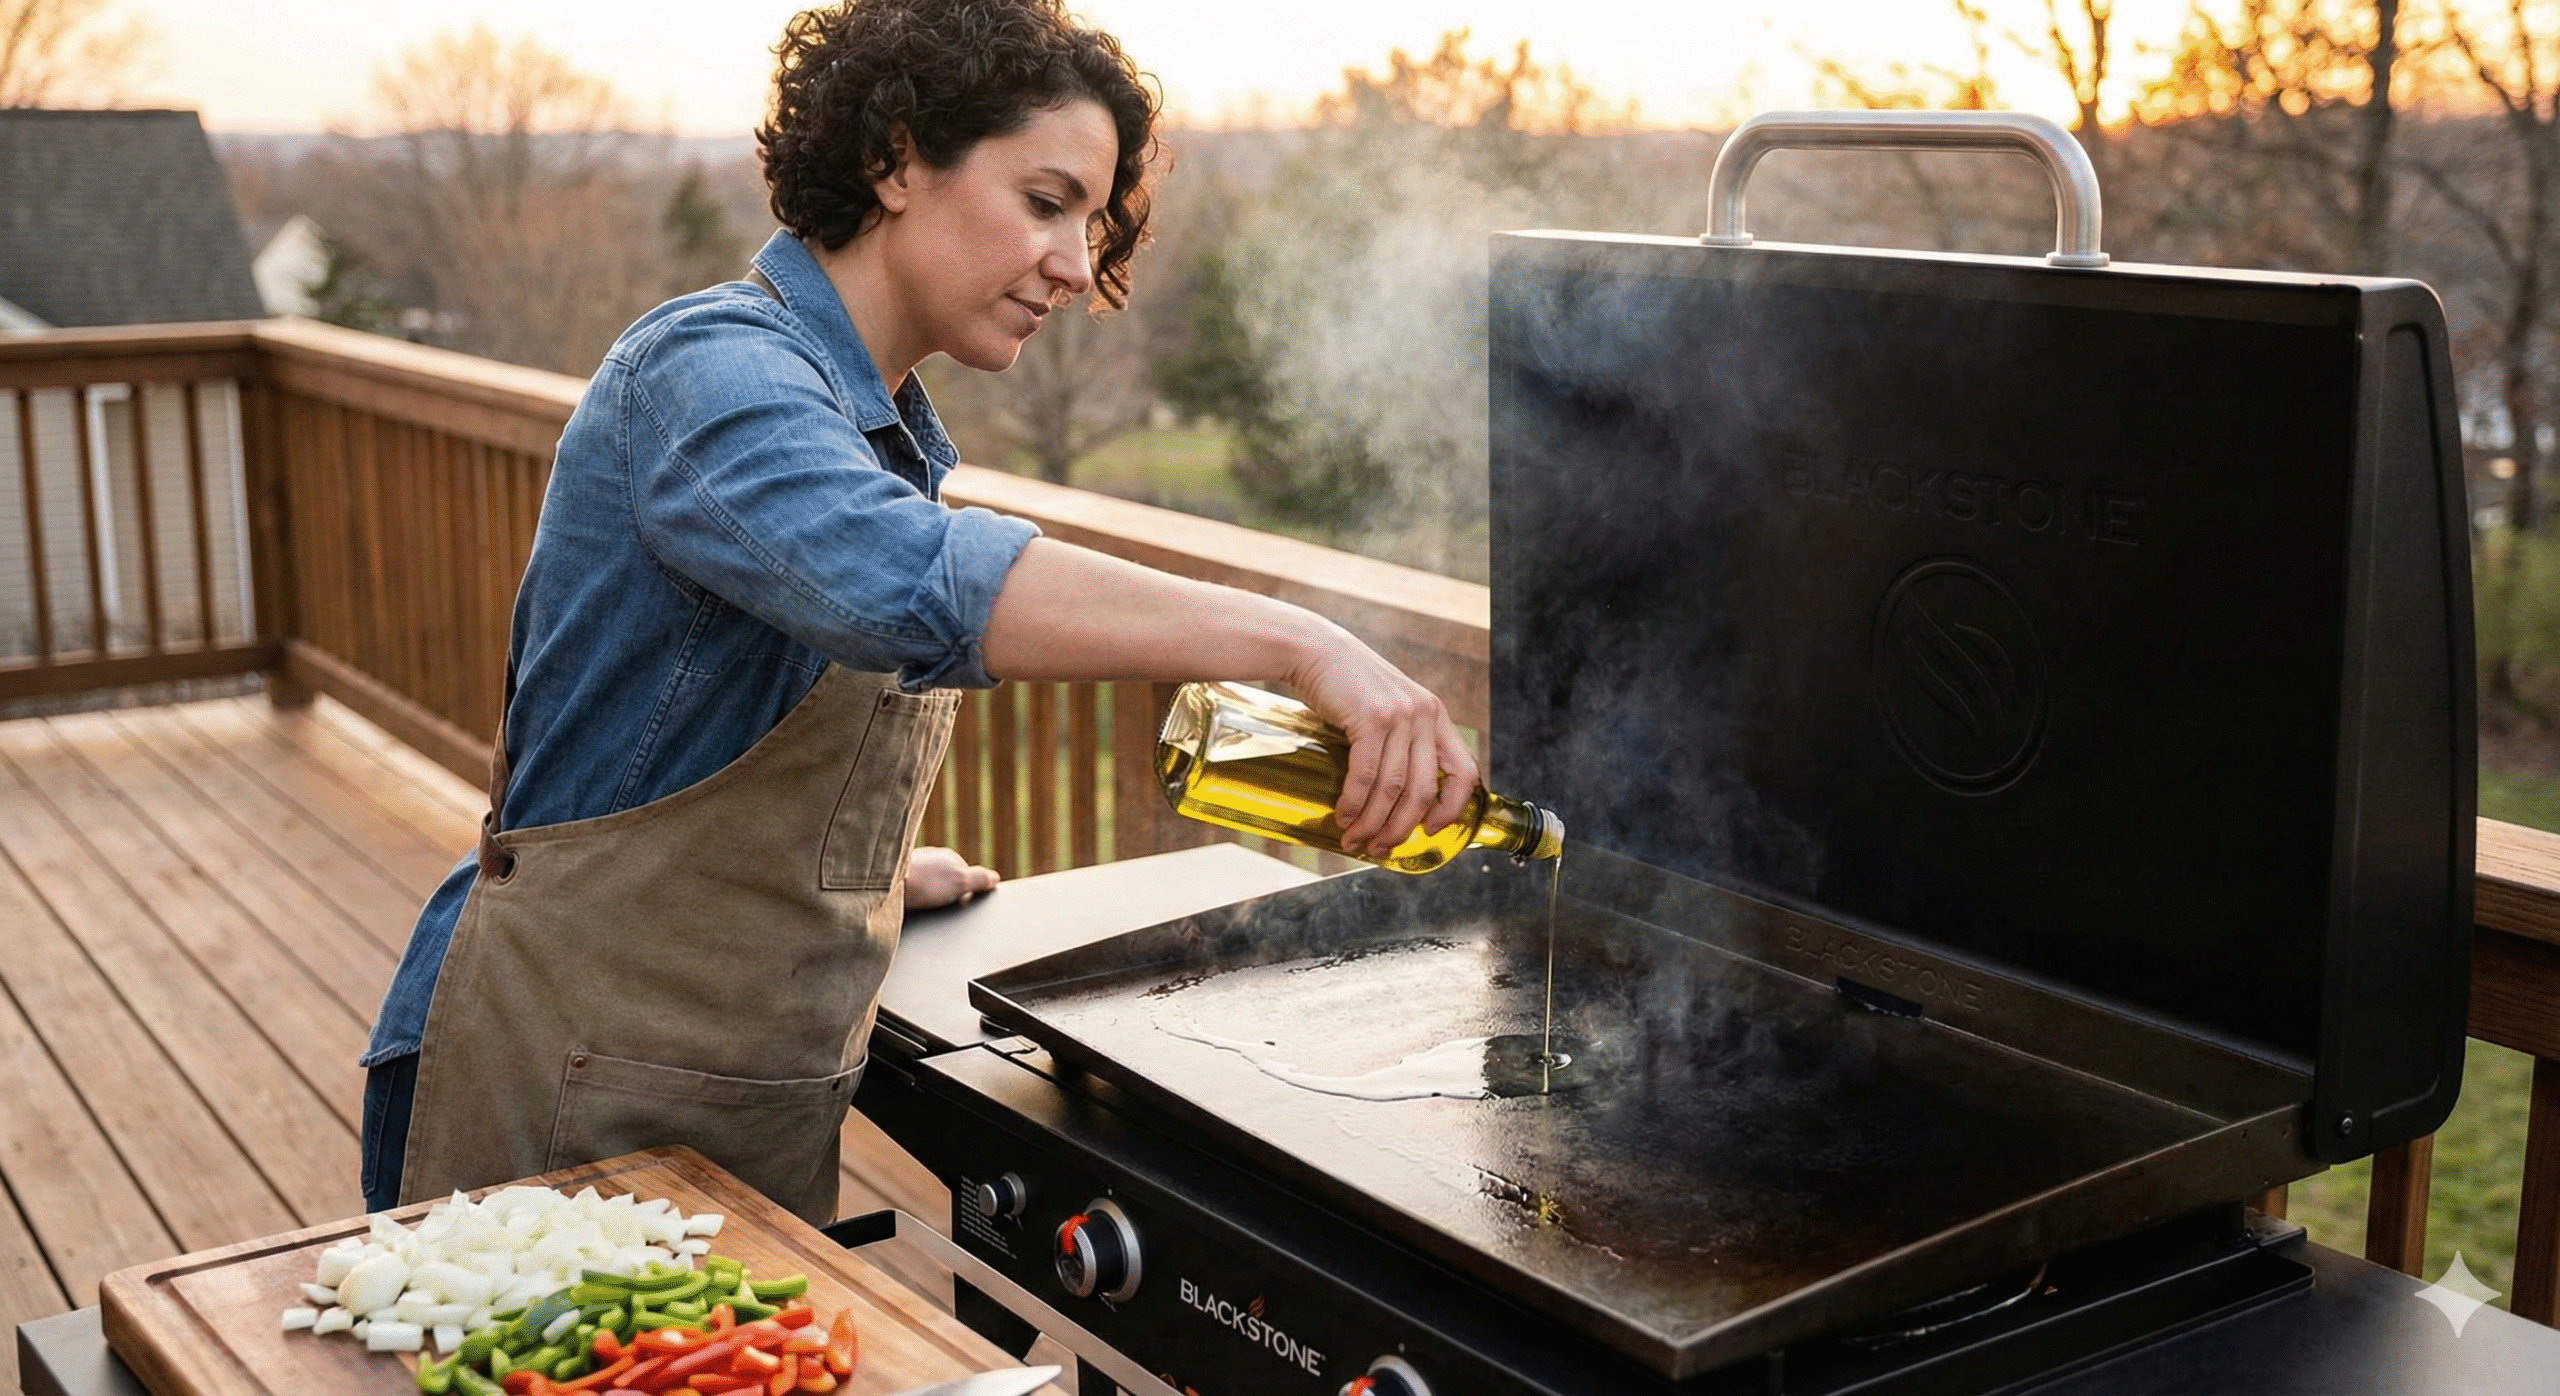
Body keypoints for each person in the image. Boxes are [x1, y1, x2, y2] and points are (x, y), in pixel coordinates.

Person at [358, 0, 1477, 1223]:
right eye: (1045, 202)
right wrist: (1304, 640)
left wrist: (850, 877)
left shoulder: (880, 433)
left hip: (732, 1096)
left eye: (1093, 219)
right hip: (559, 1082)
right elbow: (913, 584)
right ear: (896, 160)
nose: (1073, 261)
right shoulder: (711, 372)